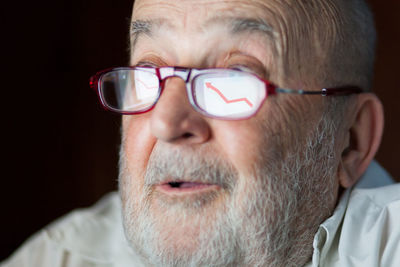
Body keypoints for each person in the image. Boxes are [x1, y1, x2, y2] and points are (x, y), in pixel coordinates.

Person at [2, 0, 399, 266]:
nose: (167, 123)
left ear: (351, 141)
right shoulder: (62, 257)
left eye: (232, 78)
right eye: (148, 72)